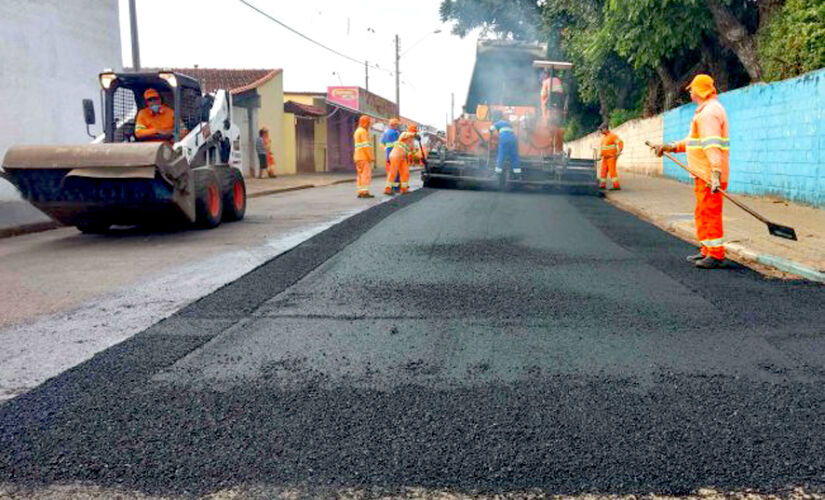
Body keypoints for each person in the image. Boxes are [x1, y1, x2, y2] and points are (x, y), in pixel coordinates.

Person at [652, 74, 730, 269]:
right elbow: (693, 142)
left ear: (700, 90)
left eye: (692, 89)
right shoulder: (704, 111)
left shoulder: (709, 113)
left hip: (709, 174)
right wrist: (670, 147)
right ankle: (706, 249)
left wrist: (715, 173)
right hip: (702, 174)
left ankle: (716, 254)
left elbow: (712, 145)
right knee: (702, 212)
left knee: (710, 213)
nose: (690, 93)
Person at [489, 110, 520, 176]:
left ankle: (497, 174)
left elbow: (491, 129)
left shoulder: (498, 123)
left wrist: (490, 131)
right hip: (513, 140)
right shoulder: (508, 124)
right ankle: (518, 175)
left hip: (504, 139)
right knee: (514, 156)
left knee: (501, 156)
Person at [353, 115, 375, 198]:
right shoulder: (363, 132)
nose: (369, 125)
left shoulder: (357, 131)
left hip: (358, 157)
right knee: (366, 175)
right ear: (366, 123)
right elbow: (366, 146)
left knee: (360, 175)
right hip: (364, 157)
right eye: (368, 123)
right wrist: (371, 157)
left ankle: (360, 191)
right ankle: (365, 192)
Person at [598, 123, 624, 190]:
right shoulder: (604, 138)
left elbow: (620, 143)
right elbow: (603, 148)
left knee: (612, 172)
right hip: (605, 158)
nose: (600, 131)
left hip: (611, 157)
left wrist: (619, 152)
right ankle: (602, 185)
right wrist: (600, 155)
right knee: (603, 172)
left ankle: (616, 186)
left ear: (605, 129)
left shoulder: (613, 136)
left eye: (601, 129)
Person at [380, 118, 401, 191]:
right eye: (397, 125)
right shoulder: (395, 133)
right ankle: (395, 187)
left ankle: (391, 186)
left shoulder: (385, 133)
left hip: (388, 156)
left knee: (390, 172)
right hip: (394, 155)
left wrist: (386, 150)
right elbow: (397, 145)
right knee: (395, 172)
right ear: (394, 125)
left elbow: (382, 143)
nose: (397, 126)